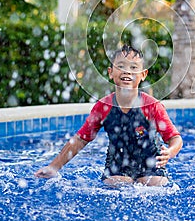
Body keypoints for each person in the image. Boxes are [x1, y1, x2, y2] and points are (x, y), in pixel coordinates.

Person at [35, 44, 183, 187]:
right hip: (117, 162)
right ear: (110, 72)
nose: (127, 71)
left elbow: (175, 138)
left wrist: (169, 152)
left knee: (155, 184)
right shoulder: (103, 107)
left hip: (150, 161)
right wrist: (53, 167)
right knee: (115, 185)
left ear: (143, 75)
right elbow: (80, 139)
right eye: (121, 66)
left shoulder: (151, 106)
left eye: (133, 67)